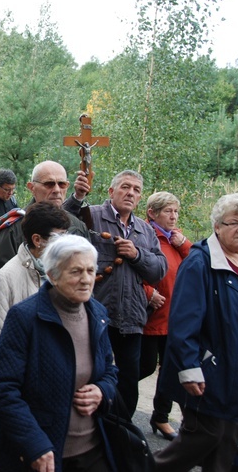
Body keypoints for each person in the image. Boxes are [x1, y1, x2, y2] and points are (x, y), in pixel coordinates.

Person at [155, 193, 238, 471]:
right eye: (233, 222)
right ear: (217, 226)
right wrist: (189, 368)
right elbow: (183, 323)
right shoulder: (200, 262)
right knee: (201, 439)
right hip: (209, 372)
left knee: (225, 448)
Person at [0, 234, 117, 472]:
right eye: (76, 272)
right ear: (52, 276)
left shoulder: (96, 313)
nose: (86, 279)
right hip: (41, 454)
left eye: (90, 270)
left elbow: (109, 369)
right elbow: (3, 387)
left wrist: (102, 391)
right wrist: (33, 443)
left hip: (92, 451)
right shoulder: (25, 317)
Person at [0, 202, 75, 471]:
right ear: (37, 240)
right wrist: (0, 394)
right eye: (59, 237)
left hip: (48, 393)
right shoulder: (5, 277)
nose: (65, 244)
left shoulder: (60, 274)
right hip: (14, 391)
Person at [68, 169, 167, 416]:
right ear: (111, 191)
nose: (130, 193)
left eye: (136, 190)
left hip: (131, 319)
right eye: (125, 187)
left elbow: (158, 270)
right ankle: (89, 432)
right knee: (90, 377)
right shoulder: (91, 216)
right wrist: (77, 196)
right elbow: (62, 222)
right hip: (93, 316)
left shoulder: (145, 230)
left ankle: (122, 433)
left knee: (127, 385)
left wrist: (137, 255)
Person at [139, 192, 191, 441]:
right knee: (145, 366)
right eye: (168, 211)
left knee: (171, 371)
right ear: (152, 213)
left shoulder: (176, 238)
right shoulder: (144, 234)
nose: (173, 216)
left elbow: (197, 263)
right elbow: (131, 268)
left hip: (175, 318)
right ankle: (107, 394)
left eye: (176, 212)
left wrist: (182, 244)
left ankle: (160, 417)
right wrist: (148, 292)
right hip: (151, 317)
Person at [0, 160, 88, 276]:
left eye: (62, 184)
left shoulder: (78, 227)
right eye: (49, 184)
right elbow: (0, 282)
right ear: (32, 187)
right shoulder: (13, 230)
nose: (56, 190)